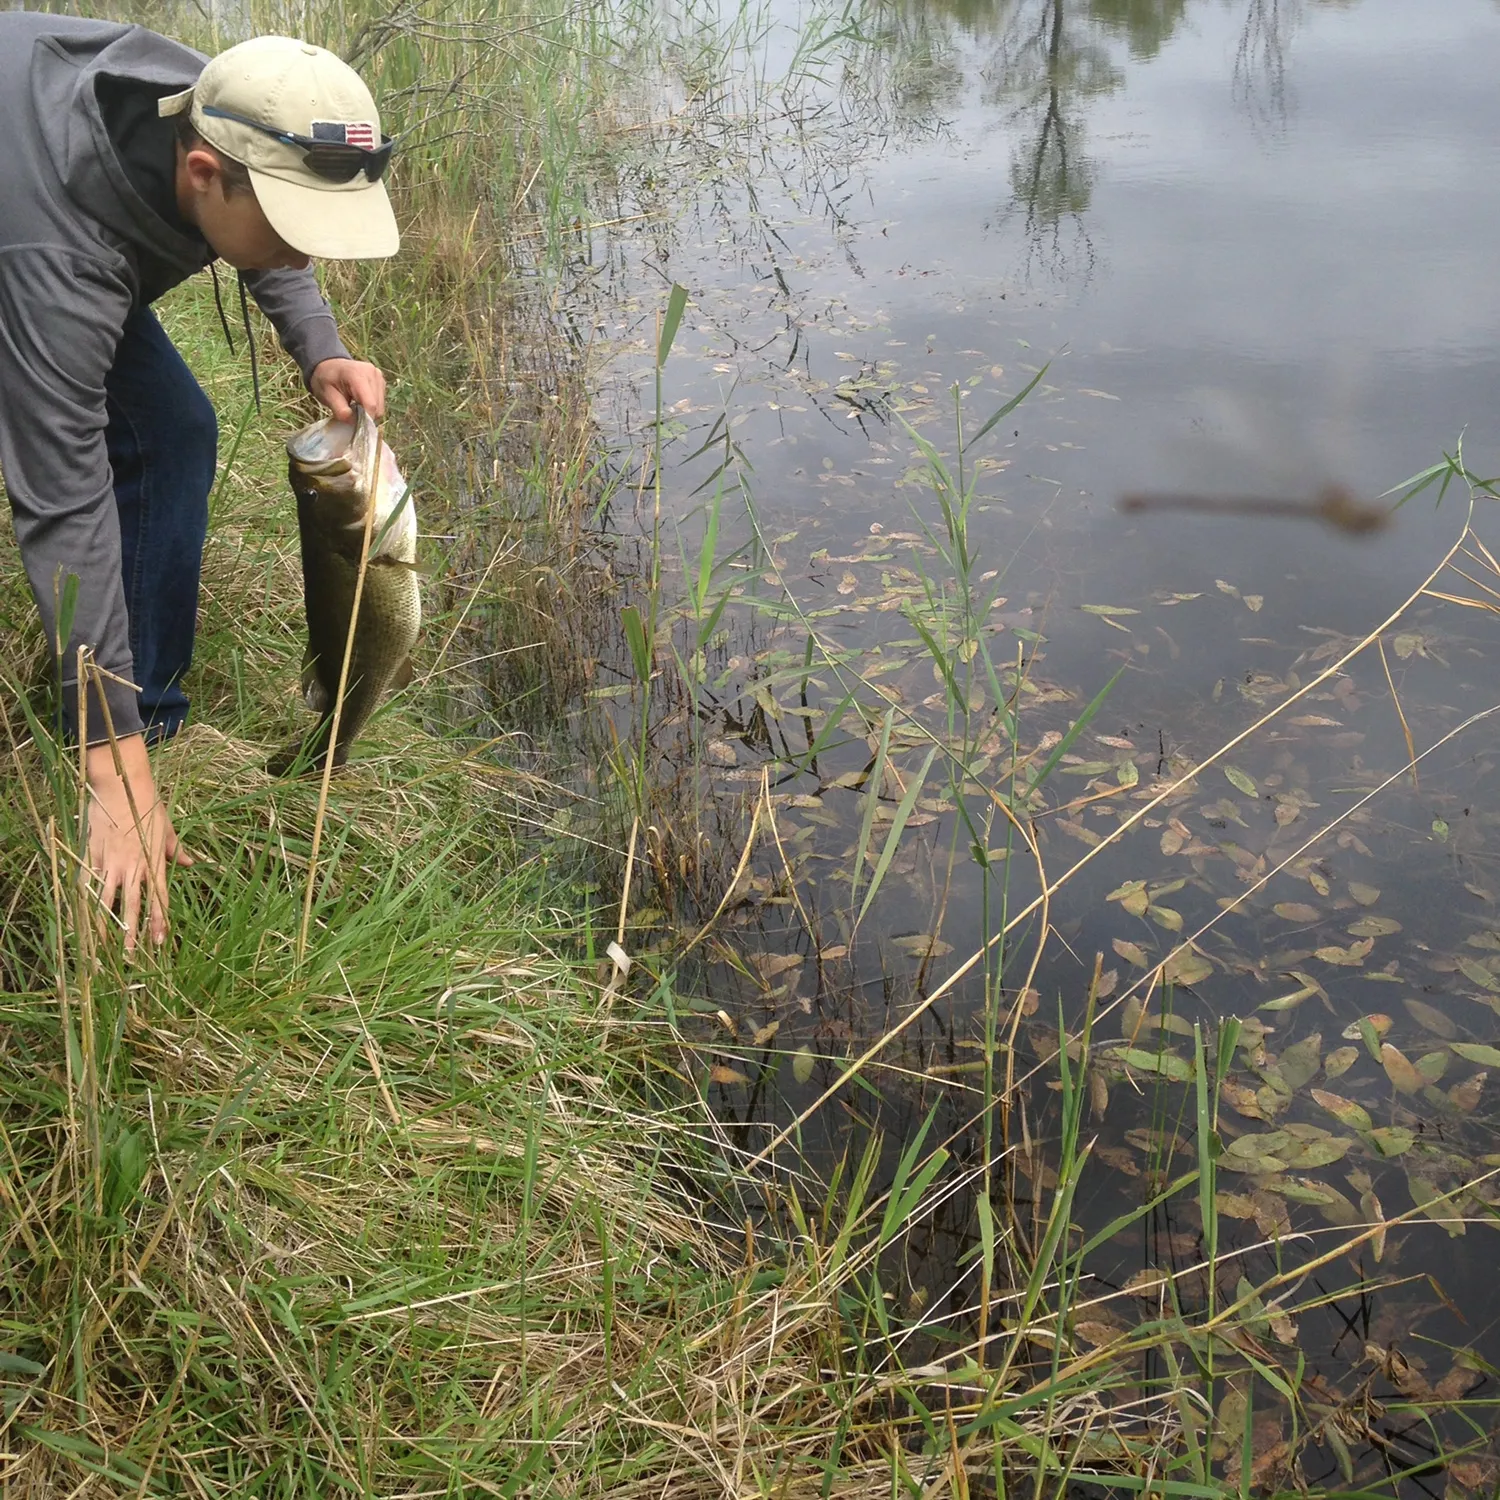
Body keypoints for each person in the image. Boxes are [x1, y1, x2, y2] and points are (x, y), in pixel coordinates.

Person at [0, 18, 401, 953]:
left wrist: (323, 351)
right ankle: (113, 736)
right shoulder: (60, 258)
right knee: (76, 462)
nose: (308, 253)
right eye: (293, 228)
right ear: (201, 175)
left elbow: (279, 248)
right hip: (19, 224)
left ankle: (154, 717)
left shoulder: (227, 97)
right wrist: (112, 773)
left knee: (175, 430)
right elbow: (63, 499)